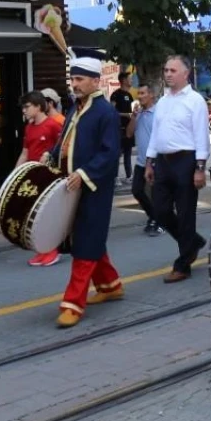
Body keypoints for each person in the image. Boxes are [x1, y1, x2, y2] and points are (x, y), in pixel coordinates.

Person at [48, 48, 122, 327]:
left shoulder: (106, 112)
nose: (74, 84)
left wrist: (85, 172)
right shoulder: (74, 108)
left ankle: (73, 303)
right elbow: (65, 140)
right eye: (73, 79)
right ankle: (111, 285)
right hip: (72, 187)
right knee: (91, 239)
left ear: (95, 81)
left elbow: (109, 153)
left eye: (79, 79)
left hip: (94, 189)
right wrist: (52, 154)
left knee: (85, 244)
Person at [147, 55, 210, 283]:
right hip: (163, 161)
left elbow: (201, 136)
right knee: (160, 210)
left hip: (186, 160)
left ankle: (183, 264)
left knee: (185, 214)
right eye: (166, 70)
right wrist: (149, 161)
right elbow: (156, 133)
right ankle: (192, 241)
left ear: (186, 74)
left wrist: (199, 168)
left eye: (173, 70)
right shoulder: (162, 102)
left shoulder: (195, 101)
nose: (168, 74)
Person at [19, 91, 66, 266]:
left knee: (45, 216)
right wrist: (15, 175)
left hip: (48, 179)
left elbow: (63, 146)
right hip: (32, 178)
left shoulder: (53, 125)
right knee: (33, 217)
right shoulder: (28, 128)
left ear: (38, 107)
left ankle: (52, 251)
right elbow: (25, 152)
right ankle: (41, 250)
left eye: (27, 106)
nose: (24, 110)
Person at [127, 83, 161, 236]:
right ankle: (154, 216)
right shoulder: (138, 113)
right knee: (137, 190)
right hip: (141, 161)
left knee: (156, 193)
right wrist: (133, 117)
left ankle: (157, 221)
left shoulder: (159, 113)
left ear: (152, 95)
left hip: (155, 160)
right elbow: (128, 134)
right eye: (138, 94)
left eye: (143, 93)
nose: (139, 97)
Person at [110, 87, 134, 182]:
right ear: (124, 80)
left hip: (129, 128)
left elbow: (133, 110)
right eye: (129, 79)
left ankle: (129, 176)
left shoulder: (129, 95)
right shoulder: (116, 95)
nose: (131, 80)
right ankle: (116, 177)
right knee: (117, 154)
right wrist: (125, 115)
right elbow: (112, 111)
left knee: (128, 154)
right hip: (118, 129)